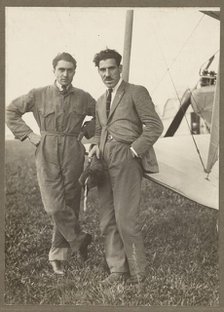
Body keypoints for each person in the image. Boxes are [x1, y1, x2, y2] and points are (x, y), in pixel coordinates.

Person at [6, 52, 96, 275]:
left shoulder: (84, 97)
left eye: (70, 70)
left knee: (69, 201)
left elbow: (102, 116)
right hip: (46, 150)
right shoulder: (38, 94)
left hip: (73, 150)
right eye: (61, 70)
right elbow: (11, 110)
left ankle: (58, 256)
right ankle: (80, 239)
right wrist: (29, 135)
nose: (65, 74)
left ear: (75, 72)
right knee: (53, 205)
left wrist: (85, 131)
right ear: (54, 70)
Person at [89, 48, 163, 285]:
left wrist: (133, 150)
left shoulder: (136, 92)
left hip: (126, 158)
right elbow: (100, 129)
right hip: (104, 161)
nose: (107, 73)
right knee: (107, 219)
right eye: (103, 69)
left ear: (120, 69)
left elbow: (154, 125)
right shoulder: (100, 100)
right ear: (98, 71)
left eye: (112, 68)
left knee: (125, 219)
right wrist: (95, 147)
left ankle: (138, 273)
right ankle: (117, 270)